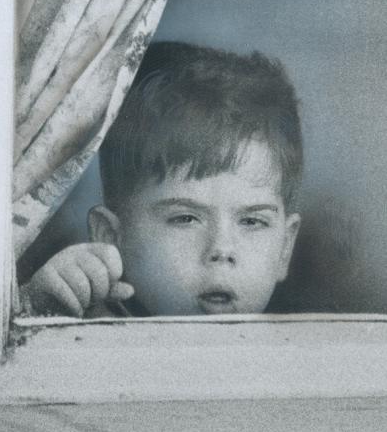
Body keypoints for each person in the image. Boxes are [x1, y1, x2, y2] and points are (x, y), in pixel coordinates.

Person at [22, 41, 303, 317]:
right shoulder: (88, 332)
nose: (221, 249)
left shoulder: (303, 351)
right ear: (111, 238)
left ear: (284, 249)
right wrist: (44, 311)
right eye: (186, 218)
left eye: (252, 221)